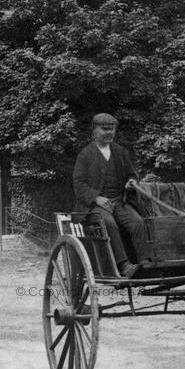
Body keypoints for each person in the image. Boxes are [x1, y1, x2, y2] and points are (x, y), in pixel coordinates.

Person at [73, 113, 150, 278]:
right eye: (104, 129)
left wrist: (131, 182)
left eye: (112, 129)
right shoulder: (85, 155)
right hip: (94, 207)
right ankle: (124, 265)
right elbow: (78, 184)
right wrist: (96, 198)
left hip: (119, 202)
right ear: (94, 130)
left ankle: (145, 264)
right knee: (109, 223)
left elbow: (132, 174)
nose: (109, 133)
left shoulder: (120, 152)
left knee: (137, 222)